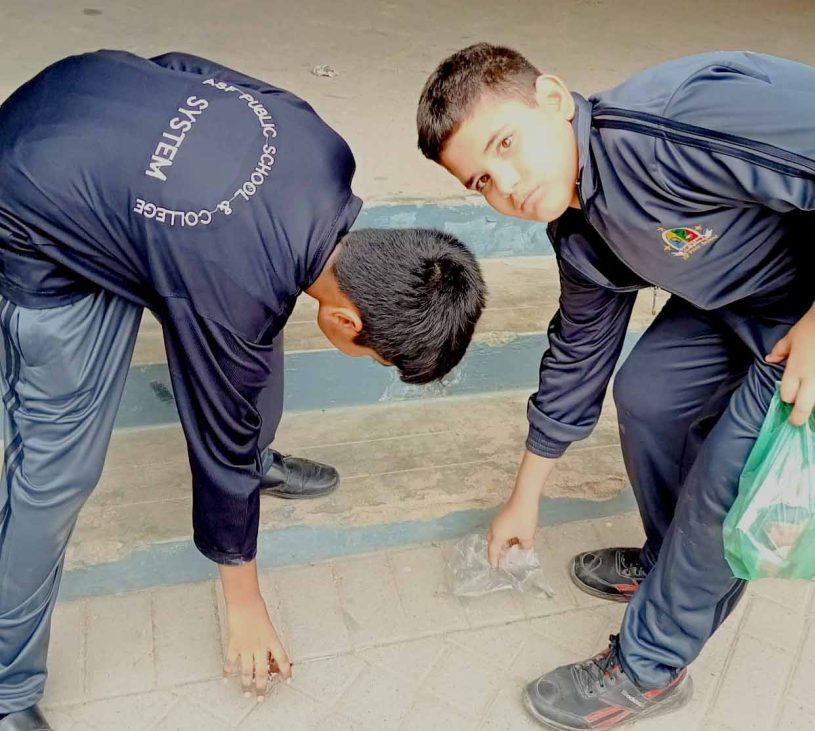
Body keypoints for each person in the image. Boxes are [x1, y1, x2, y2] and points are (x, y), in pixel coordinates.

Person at [417, 43, 815, 729]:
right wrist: (525, 498)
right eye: (481, 180)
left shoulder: (669, 126)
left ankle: (649, 667)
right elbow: (578, 355)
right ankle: (673, 563)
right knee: (649, 393)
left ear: (554, 99)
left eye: (506, 143)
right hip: (777, 269)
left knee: (739, 468)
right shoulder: (580, 232)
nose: (506, 183)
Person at [0, 50, 485, 731]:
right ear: (347, 323)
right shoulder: (236, 291)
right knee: (58, 468)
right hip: (29, 203)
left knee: (260, 309)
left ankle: (262, 461)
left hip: (92, 89)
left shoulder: (324, 153)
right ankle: (7, 683)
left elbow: (182, 66)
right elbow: (218, 433)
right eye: (375, 357)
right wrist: (245, 605)